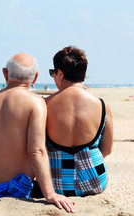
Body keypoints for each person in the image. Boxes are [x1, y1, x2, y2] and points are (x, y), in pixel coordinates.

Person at [0, 53, 75, 213]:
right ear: (36, 77)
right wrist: (50, 194)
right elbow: (36, 151)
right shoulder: (36, 103)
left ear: (5, 73)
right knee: (59, 186)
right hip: (16, 187)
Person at [45, 46, 113, 196]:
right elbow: (107, 150)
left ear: (60, 74)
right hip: (96, 180)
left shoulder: (44, 105)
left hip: (57, 184)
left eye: (53, 73)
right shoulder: (102, 105)